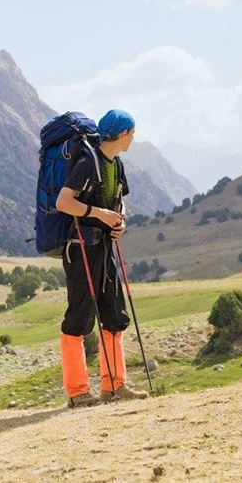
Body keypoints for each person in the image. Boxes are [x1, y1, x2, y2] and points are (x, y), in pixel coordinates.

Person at [55, 109, 149, 407]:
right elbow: (63, 202)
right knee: (79, 318)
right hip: (82, 247)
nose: (134, 138)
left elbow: (120, 204)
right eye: (132, 133)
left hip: (105, 247)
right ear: (121, 134)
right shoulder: (86, 162)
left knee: (114, 314)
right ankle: (77, 391)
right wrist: (100, 214)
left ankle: (114, 386)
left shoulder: (116, 165)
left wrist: (120, 220)